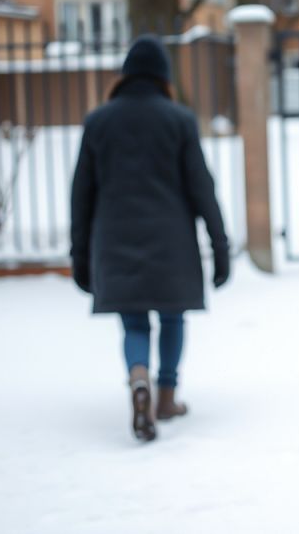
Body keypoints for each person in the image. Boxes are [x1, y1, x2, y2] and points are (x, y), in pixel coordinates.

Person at [69, 35, 230, 443]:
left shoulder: (98, 122)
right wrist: (220, 246)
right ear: (163, 77)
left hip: (114, 241)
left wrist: (80, 255)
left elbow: (81, 196)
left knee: (134, 322)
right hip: (172, 243)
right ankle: (166, 396)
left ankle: (138, 378)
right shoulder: (179, 120)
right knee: (172, 317)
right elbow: (202, 189)